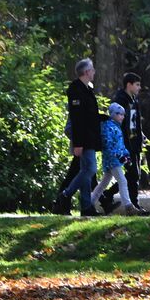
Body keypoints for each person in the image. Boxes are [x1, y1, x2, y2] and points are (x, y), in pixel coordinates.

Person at [54, 58, 102, 216]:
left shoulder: (87, 89)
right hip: (83, 139)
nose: (94, 72)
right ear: (87, 72)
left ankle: (86, 206)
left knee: (86, 172)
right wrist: (78, 143)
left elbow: (91, 115)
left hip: (89, 137)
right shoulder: (76, 90)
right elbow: (78, 119)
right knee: (90, 169)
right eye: (92, 69)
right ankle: (66, 195)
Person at [101, 72, 148, 214]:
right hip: (125, 143)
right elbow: (117, 122)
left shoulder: (134, 100)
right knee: (132, 174)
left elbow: (135, 121)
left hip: (135, 141)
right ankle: (134, 205)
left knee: (134, 174)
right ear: (129, 84)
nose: (139, 87)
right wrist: (119, 142)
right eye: (137, 84)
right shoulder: (120, 100)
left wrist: (141, 135)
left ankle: (108, 195)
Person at [95, 103, 143, 215]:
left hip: (115, 159)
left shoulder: (116, 127)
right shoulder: (108, 127)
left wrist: (126, 155)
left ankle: (90, 202)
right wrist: (119, 156)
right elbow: (108, 145)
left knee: (103, 184)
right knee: (122, 180)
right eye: (118, 114)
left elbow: (120, 145)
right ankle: (128, 206)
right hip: (112, 160)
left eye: (123, 114)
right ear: (112, 114)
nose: (122, 116)